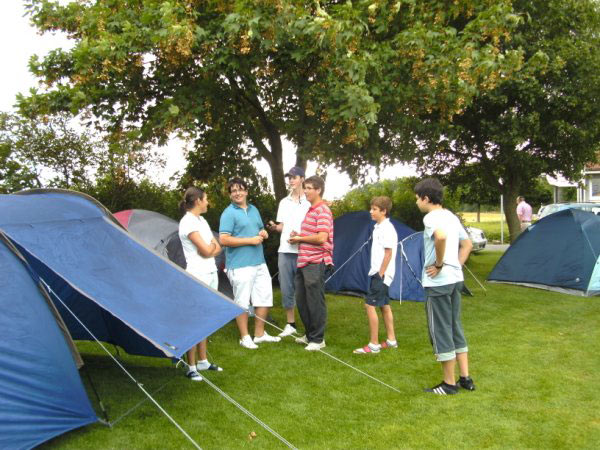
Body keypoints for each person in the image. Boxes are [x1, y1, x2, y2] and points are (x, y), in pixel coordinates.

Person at [414, 178, 475, 395]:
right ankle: (465, 378)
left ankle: (449, 384)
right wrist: (455, 265)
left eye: (417, 198)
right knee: (454, 325)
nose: (416, 202)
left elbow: (440, 237)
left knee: (440, 329)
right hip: (455, 279)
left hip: (438, 283)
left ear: (426, 198)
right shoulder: (450, 216)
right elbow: (467, 244)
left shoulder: (431, 217)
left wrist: (440, 264)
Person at [219, 177, 281, 349]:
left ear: (246, 191)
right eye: (233, 191)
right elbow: (223, 239)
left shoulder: (254, 210)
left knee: (264, 297)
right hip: (239, 265)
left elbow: (259, 229)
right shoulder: (228, 213)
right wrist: (249, 240)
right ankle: (245, 337)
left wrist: (263, 233)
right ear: (230, 195)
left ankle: (259, 335)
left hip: (259, 262)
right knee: (242, 302)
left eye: (240, 189)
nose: (237, 193)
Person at [178, 187, 224, 381]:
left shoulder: (202, 221)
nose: (208, 202)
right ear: (198, 200)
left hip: (211, 272)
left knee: (207, 319)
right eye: (206, 199)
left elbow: (217, 247)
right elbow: (206, 251)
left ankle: (203, 360)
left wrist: (210, 248)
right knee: (195, 320)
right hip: (198, 275)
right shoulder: (187, 222)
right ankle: (191, 366)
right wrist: (210, 248)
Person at [288, 175, 334, 351]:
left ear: (318, 190)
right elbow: (312, 234)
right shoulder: (311, 210)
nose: (305, 191)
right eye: (305, 188)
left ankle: (318, 339)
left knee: (314, 301)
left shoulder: (323, 210)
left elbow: (322, 238)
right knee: (302, 300)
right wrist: (299, 235)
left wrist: (300, 238)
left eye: (308, 188)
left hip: (316, 261)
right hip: (304, 261)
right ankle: (309, 334)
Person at [266, 166, 310, 338]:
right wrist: (274, 227)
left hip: (305, 250)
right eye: (289, 177)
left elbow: (314, 226)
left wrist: (300, 236)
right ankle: (290, 324)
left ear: (302, 179)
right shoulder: (284, 202)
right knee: (286, 288)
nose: (291, 180)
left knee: (305, 289)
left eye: (294, 177)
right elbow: (282, 226)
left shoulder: (309, 201)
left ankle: (309, 325)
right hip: (285, 250)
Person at [353, 196, 398, 354]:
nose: (370, 212)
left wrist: (380, 274)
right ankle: (391, 340)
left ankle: (373, 345)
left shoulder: (387, 228)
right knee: (384, 305)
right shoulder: (378, 227)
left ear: (384, 211)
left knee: (369, 305)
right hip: (378, 272)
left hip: (382, 274)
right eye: (371, 208)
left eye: (374, 209)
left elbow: (388, 253)